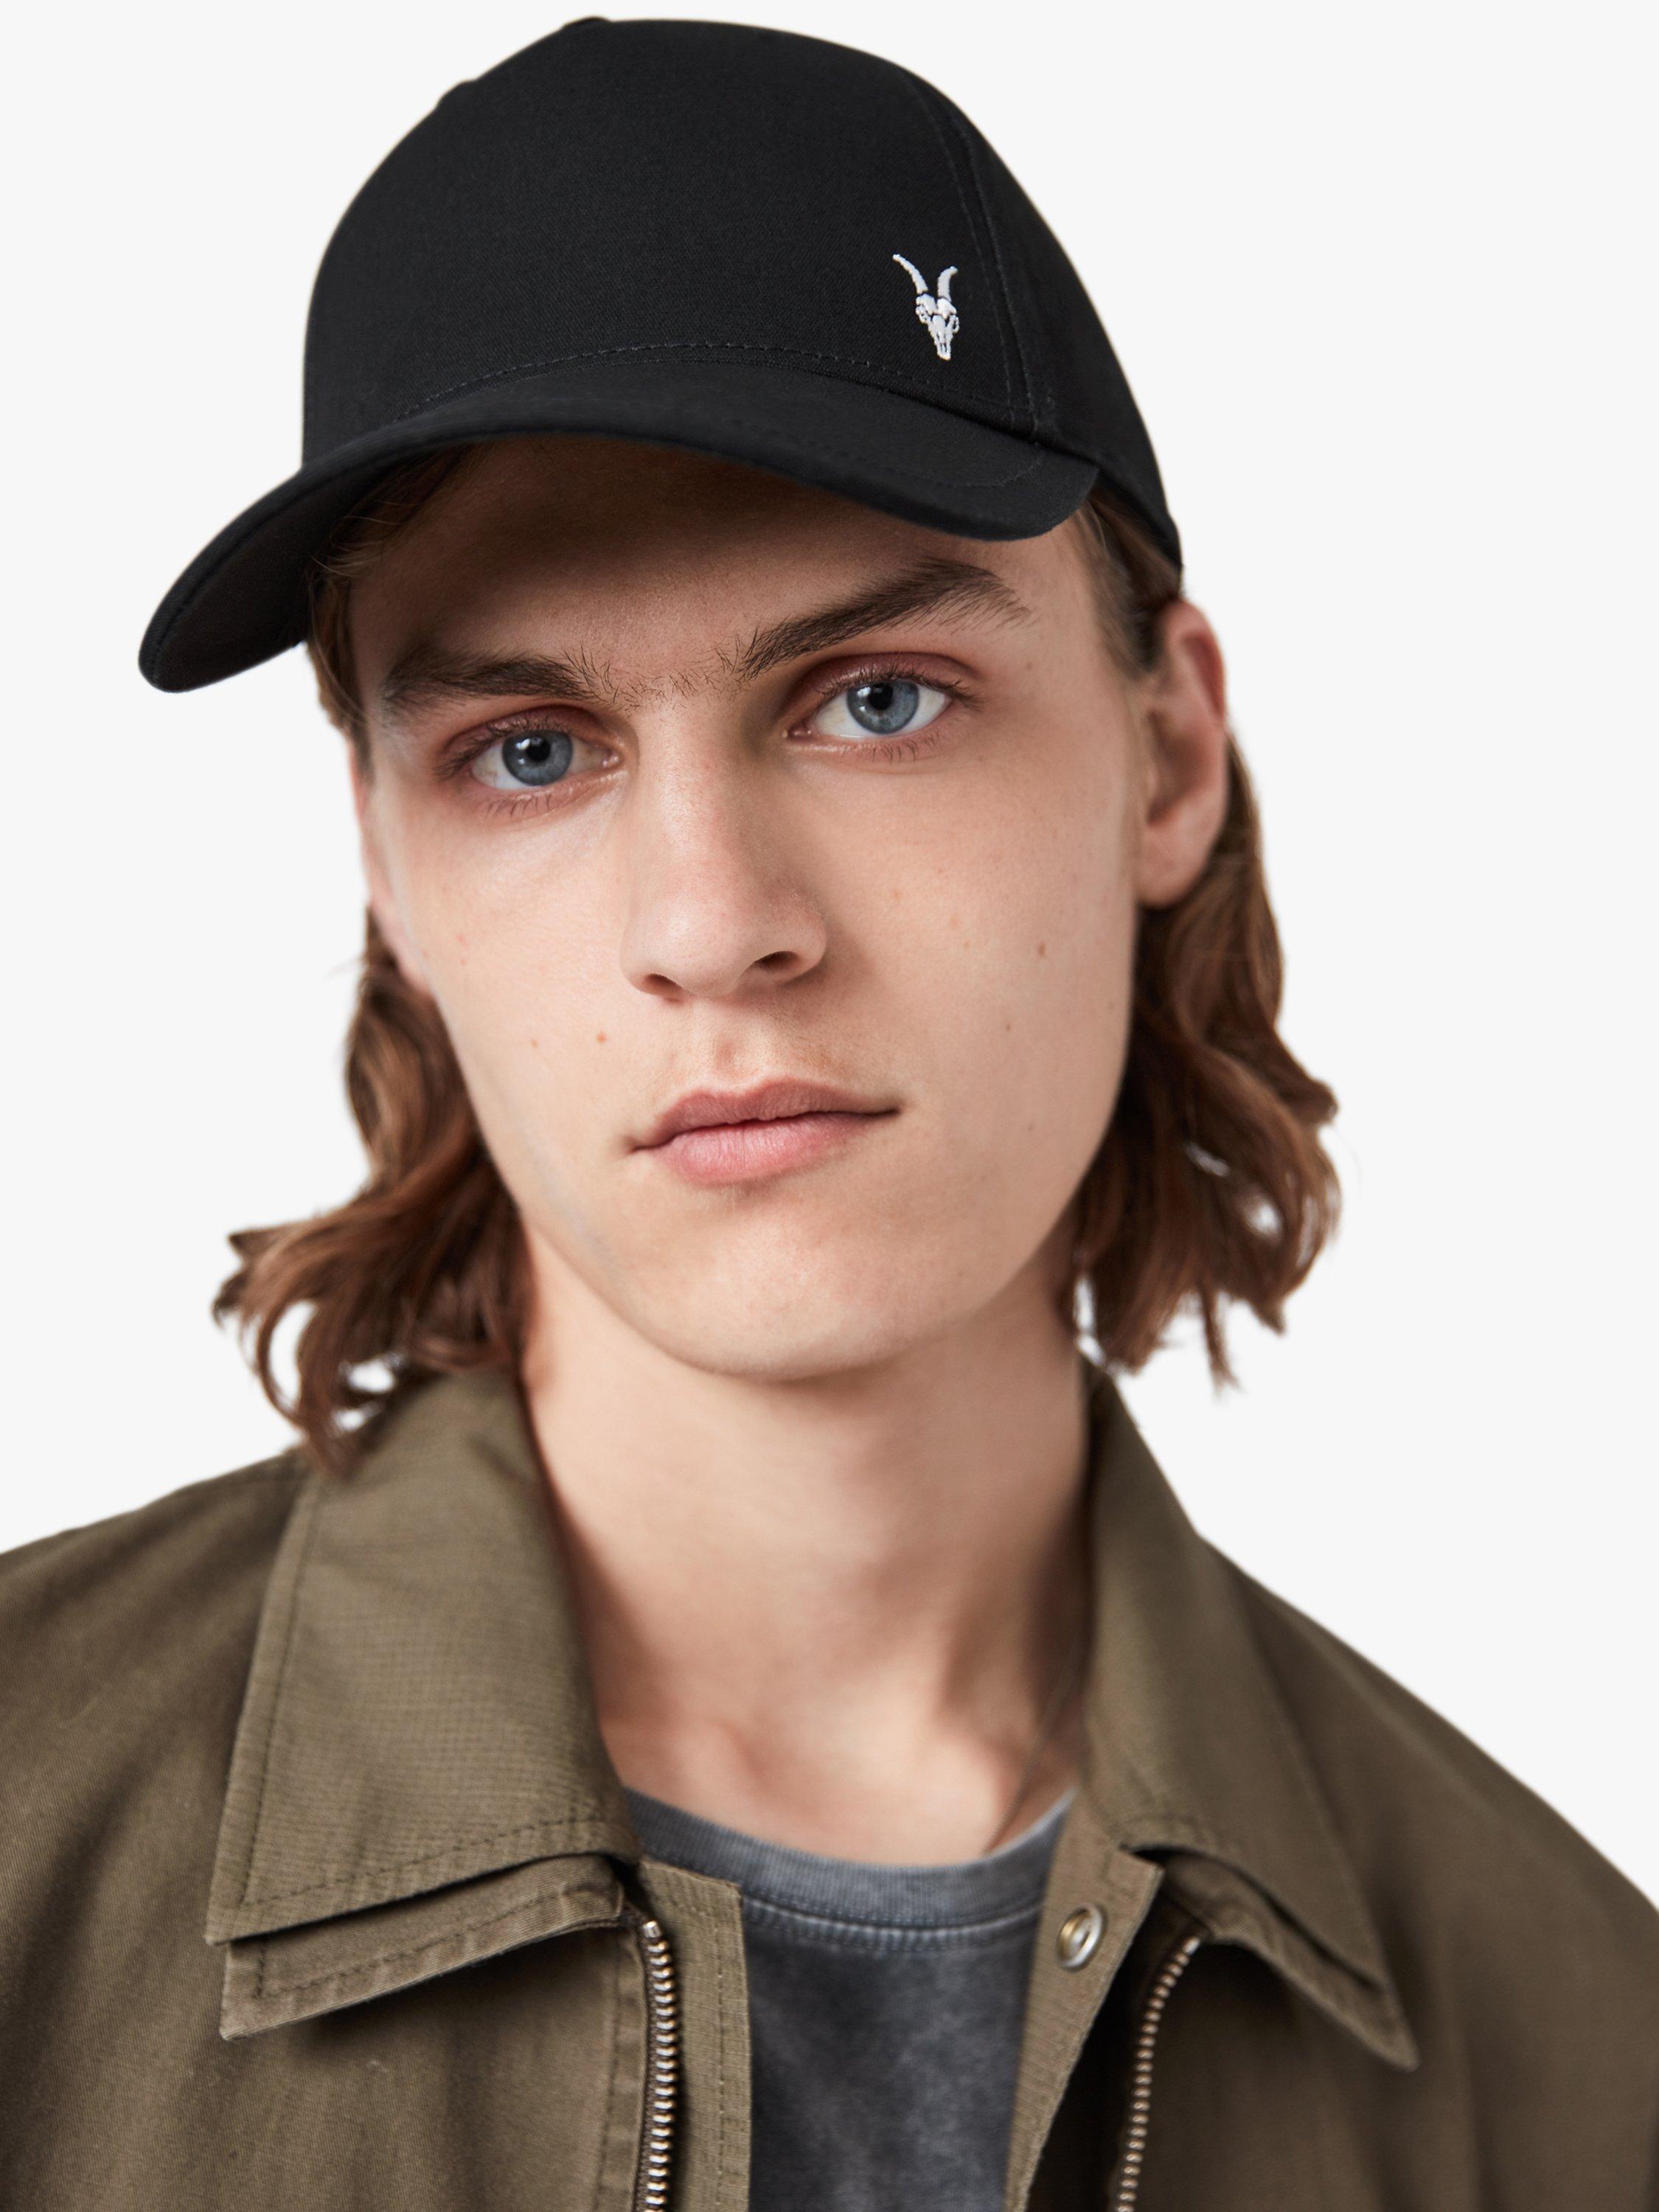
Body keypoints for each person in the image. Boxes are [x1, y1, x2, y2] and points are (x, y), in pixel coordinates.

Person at [2, 18, 1653, 2212]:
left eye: (877, 700)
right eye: (526, 751)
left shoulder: (1569, 2044)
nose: (713, 926)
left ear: (1166, 756)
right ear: (386, 860)